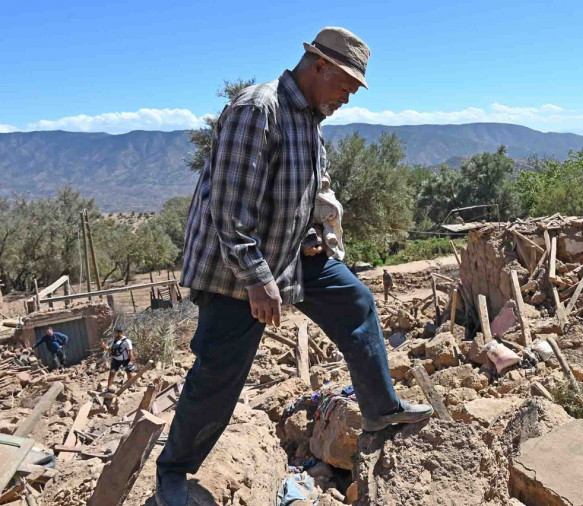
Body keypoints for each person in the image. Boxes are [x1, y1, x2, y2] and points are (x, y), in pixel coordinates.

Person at [154, 27, 432, 506]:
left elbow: (296, 197)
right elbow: (229, 208)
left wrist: (310, 239)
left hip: (287, 258)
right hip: (234, 271)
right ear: (318, 65)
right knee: (220, 373)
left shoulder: (309, 120)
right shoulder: (257, 110)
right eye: (345, 84)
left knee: (356, 301)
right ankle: (173, 473)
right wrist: (258, 281)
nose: (348, 97)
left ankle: (381, 408)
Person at [101, 327, 135, 392]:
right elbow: (111, 350)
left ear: (119, 333)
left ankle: (132, 385)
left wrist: (131, 361)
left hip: (125, 359)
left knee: (128, 372)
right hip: (116, 359)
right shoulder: (115, 340)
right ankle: (109, 387)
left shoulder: (127, 341)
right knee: (112, 372)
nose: (115, 334)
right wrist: (105, 348)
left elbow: (130, 351)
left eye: (116, 333)